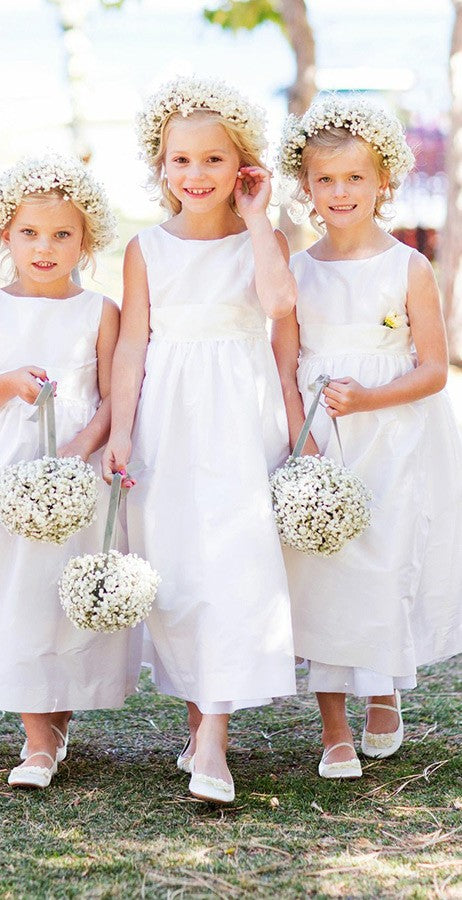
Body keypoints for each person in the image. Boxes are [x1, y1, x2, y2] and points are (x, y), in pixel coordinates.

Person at [102, 76, 297, 804]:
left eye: (213, 160)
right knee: (181, 567)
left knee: (235, 563)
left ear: (241, 167)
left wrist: (258, 220)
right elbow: (131, 347)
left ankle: (214, 738)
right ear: (161, 166)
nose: (196, 176)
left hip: (240, 413)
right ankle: (197, 722)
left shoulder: (262, 238)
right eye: (181, 161)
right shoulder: (146, 247)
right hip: (169, 417)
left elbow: (279, 305)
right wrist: (121, 430)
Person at [0, 153, 142, 790]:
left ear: (87, 240)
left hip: (76, 465)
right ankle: (36, 738)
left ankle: (60, 712)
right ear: (4, 235)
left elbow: (112, 397)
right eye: (29, 233)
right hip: (2, 463)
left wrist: (75, 454)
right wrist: (9, 384)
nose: (44, 248)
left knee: (64, 590)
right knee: (11, 586)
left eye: (61, 235)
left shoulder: (100, 310)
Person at [273, 95, 462, 779]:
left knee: (383, 563)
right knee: (323, 568)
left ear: (384, 181)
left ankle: (382, 692)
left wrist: (372, 396)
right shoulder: (297, 270)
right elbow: (284, 365)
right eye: (326, 180)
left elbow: (436, 370)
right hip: (323, 438)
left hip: (395, 436)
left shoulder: (407, 266)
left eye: (355, 177)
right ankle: (333, 727)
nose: (341, 192)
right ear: (307, 188)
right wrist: (304, 438)